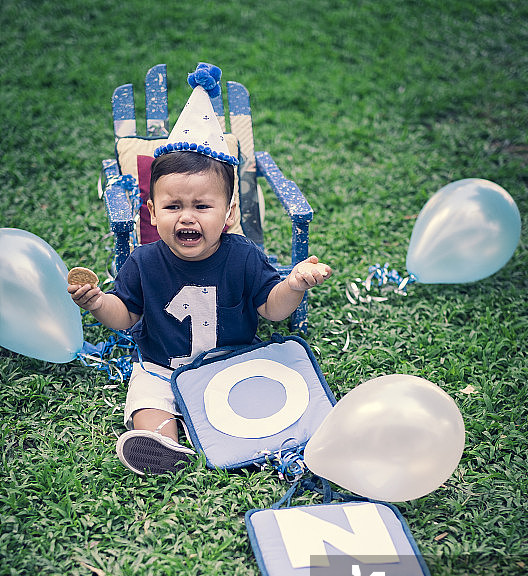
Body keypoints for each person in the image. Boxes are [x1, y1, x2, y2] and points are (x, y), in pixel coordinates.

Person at [68, 63, 332, 476]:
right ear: (152, 213)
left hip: (232, 359)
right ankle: (162, 445)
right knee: (148, 398)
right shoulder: (144, 261)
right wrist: (99, 302)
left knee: (257, 401)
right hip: (163, 365)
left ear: (227, 216)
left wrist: (294, 283)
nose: (187, 217)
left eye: (202, 207)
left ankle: (267, 440)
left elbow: (271, 309)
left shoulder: (243, 256)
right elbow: (128, 316)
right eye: (173, 207)